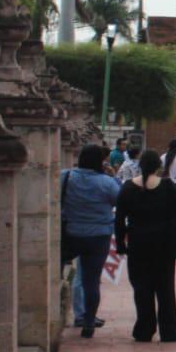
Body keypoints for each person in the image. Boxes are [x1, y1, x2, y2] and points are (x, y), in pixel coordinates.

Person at [114, 149, 176, 342]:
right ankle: (169, 330)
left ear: (140, 166)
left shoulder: (128, 188)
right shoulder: (167, 187)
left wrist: (121, 244)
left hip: (138, 244)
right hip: (163, 245)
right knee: (165, 288)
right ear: (159, 166)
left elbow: (119, 219)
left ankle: (144, 328)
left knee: (141, 288)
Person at [60, 145, 122, 338]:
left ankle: (64, 312)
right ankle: (89, 322)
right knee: (91, 280)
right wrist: (113, 177)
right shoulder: (106, 183)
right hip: (98, 236)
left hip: (70, 233)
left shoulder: (66, 176)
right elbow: (118, 199)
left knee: (59, 273)